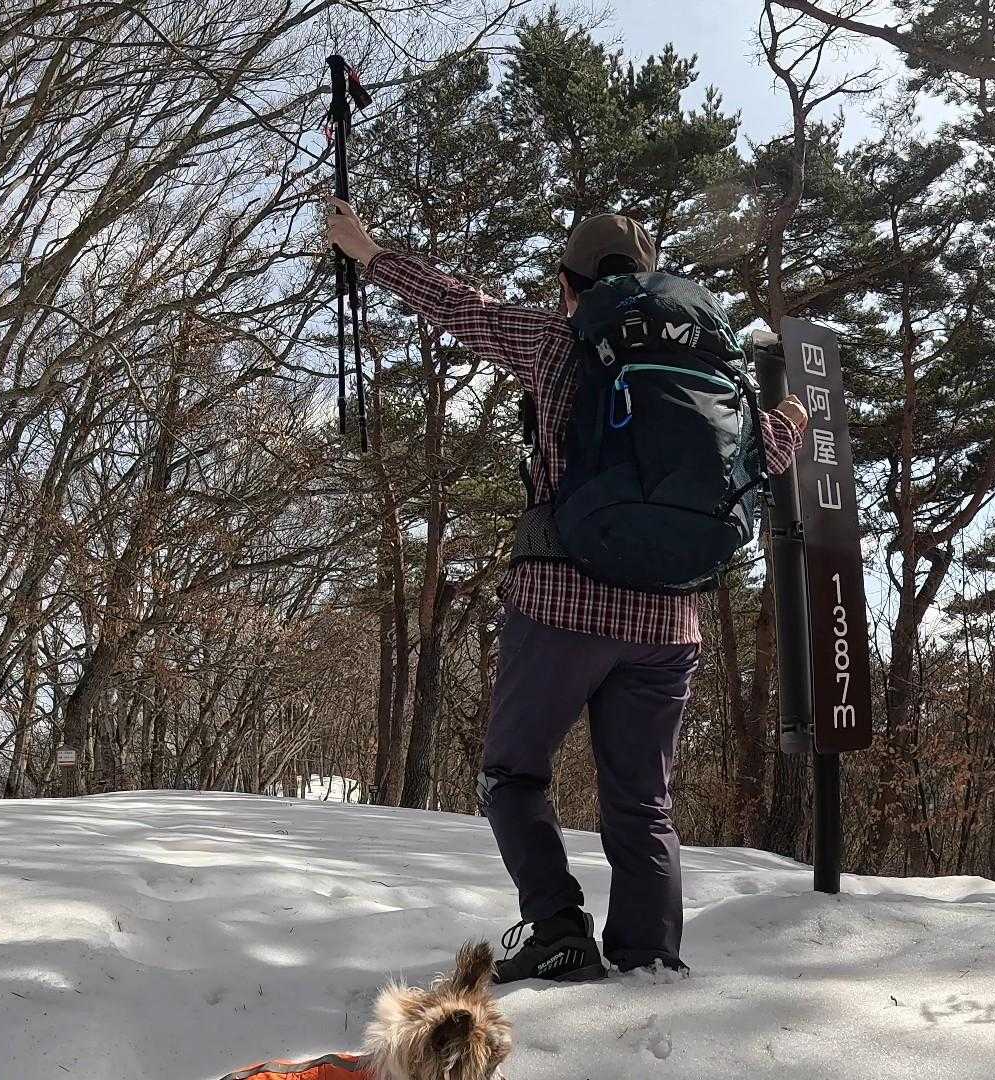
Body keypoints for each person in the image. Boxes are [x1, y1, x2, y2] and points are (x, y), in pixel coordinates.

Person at [323, 196, 808, 983]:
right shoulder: (713, 360)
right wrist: (791, 413)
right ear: (650, 278)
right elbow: (762, 454)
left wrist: (370, 252)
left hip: (560, 605)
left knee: (513, 775)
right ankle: (650, 962)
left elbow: (458, 306)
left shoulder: (556, 339)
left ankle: (557, 930)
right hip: (669, 622)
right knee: (643, 803)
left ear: (567, 283)